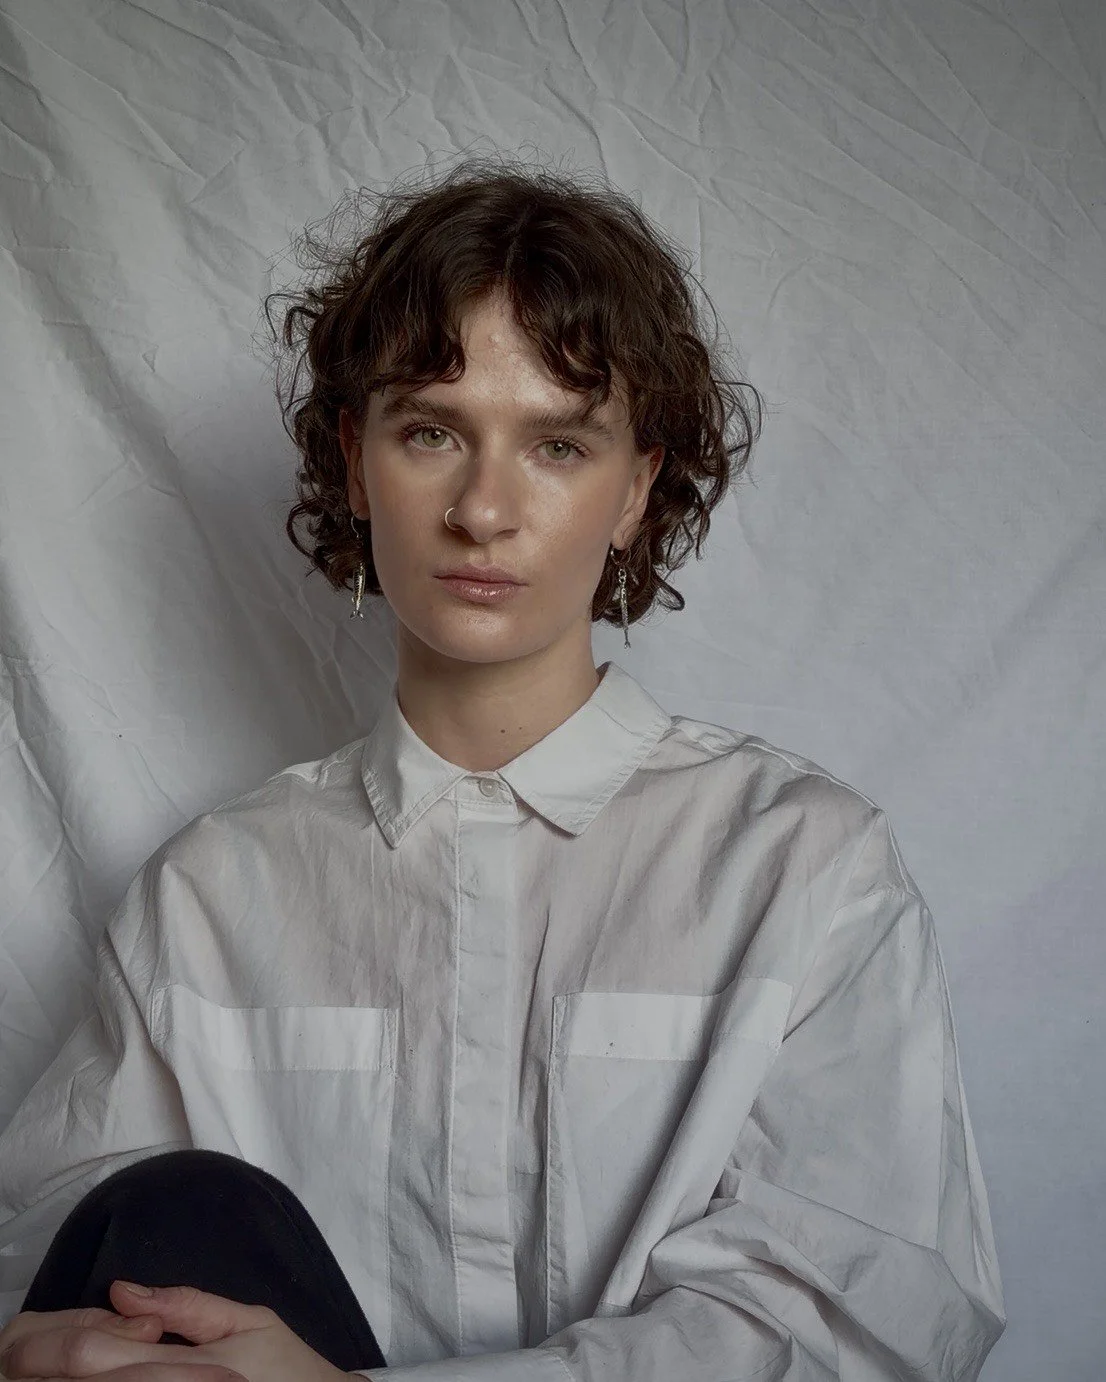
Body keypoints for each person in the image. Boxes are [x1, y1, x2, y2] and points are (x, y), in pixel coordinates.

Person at [0, 154, 1006, 1381]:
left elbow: (866, 1318)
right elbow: (42, 1264)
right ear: (354, 457)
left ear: (635, 488)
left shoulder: (803, 867)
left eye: (557, 446)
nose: (483, 508)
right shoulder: (209, 892)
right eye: (431, 430)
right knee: (166, 1218)